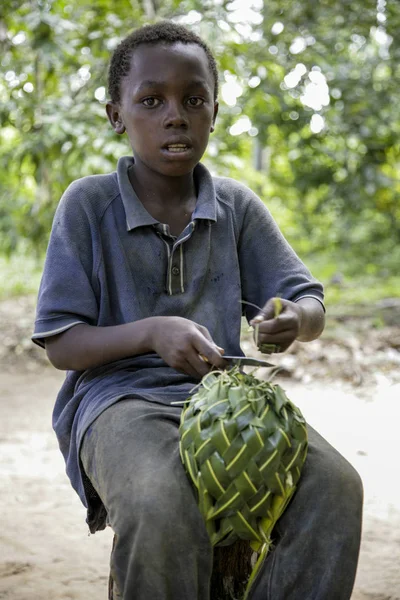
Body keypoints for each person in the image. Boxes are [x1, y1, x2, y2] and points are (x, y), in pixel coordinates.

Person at [32, 20, 363, 600]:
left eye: (193, 99)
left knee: (337, 488)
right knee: (163, 501)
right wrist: (152, 332)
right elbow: (63, 345)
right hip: (119, 401)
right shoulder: (88, 204)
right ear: (116, 114)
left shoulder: (235, 206)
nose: (175, 116)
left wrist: (293, 320)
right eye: (151, 100)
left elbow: (309, 302)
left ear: (214, 111)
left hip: (230, 406)